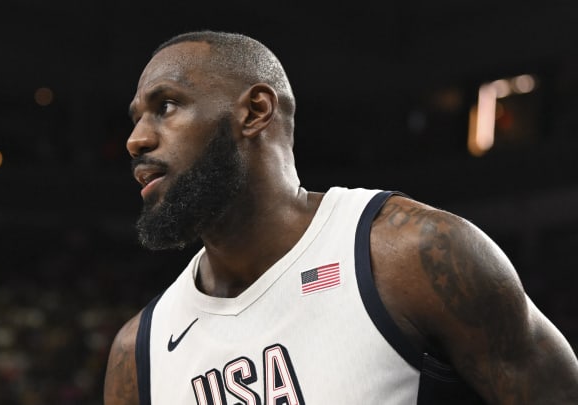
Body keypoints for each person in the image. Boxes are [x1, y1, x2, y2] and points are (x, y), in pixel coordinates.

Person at [103, 29, 578, 404]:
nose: (137, 140)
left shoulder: (412, 255)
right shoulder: (137, 353)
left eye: (165, 106)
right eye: (135, 118)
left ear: (255, 111)